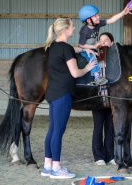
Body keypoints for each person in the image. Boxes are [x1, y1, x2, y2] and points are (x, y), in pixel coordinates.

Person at [40, 18, 96, 179]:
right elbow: (75, 73)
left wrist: (83, 49)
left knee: (52, 129)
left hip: (52, 93)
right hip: (63, 94)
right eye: (72, 26)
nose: (74, 28)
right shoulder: (66, 49)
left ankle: (47, 166)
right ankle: (56, 168)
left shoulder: (53, 47)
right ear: (65, 30)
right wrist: (87, 67)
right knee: (58, 130)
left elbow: (71, 50)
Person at [78, 4, 131, 85]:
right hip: (86, 50)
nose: (98, 17)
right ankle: (97, 78)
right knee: (93, 59)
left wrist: (123, 13)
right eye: (95, 16)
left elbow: (111, 20)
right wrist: (94, 46)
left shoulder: (97, 24)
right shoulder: (84, 30)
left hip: (92, 47)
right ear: (89, 20)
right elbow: (81, 45)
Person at [91, 32, 116, 166]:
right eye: (101, 40)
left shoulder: (116, 59)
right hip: (98, 96)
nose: (103, 43)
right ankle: (98, 156)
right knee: (98, 126)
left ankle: (110, 155)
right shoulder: (95, 57)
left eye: (106, 40)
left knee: (111, 127)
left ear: (112, 43)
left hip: (112, 97)